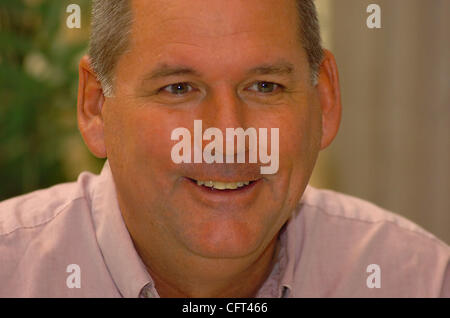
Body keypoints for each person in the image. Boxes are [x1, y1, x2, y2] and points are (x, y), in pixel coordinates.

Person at [0, 0, 448, 298]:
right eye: (178, 88)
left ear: (324, 102)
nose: (227, 136)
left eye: (264, 86)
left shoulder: (417, 280)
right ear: (96, 107)